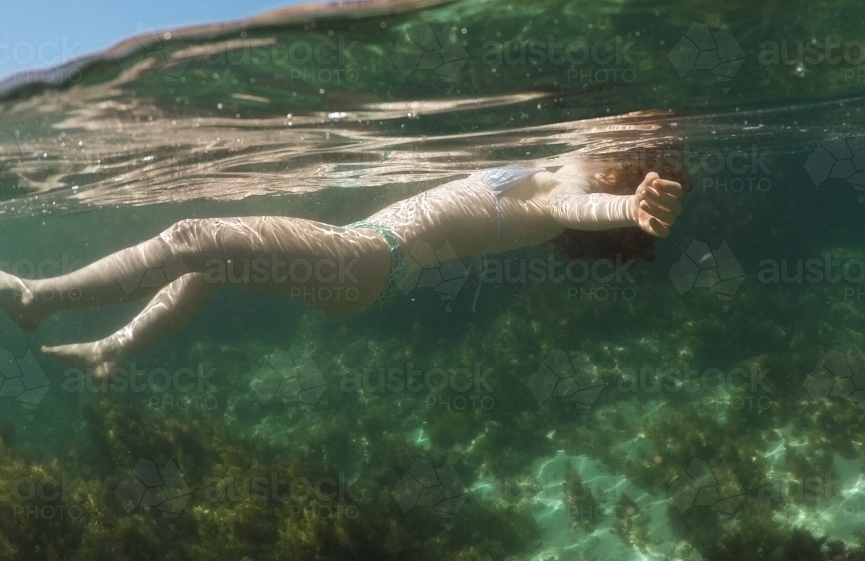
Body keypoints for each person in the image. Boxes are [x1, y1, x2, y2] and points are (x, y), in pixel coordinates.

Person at [0, 156, 685, 379]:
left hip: (367, 260)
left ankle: (40, 298)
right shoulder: (550, 166)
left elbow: (583, 208)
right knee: (208, 266)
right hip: (362, 256)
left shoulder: (569, 187)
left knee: (193, 235)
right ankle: (115, 346)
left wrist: (629, 206)